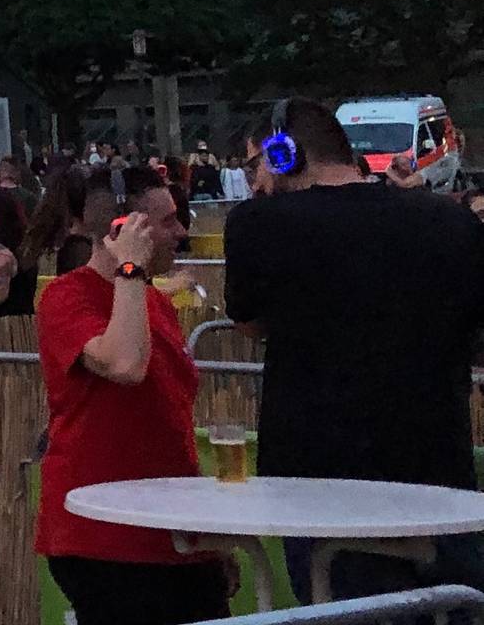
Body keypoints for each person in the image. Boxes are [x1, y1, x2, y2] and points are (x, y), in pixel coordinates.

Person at [229, 97, 484, 601]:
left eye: (256, 163)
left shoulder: (260, 224)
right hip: (439, 484)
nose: (255, 179)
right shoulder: (453, 224)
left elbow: (251, 323)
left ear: (285, 154)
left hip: (322, 490)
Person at [34, 172, 225, 624]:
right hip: (105, 536)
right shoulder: (66, 296)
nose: (182, 232)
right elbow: (124, 365)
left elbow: (168, 415)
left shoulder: (152, 302)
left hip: (170, 530)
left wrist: (207, 542)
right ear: (123, 229)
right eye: (169, 220)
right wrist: (129, 268)